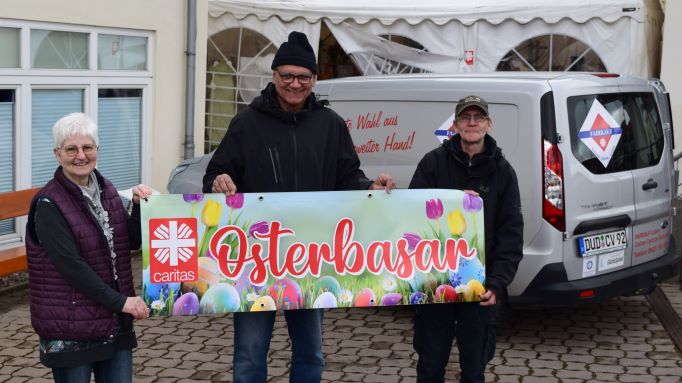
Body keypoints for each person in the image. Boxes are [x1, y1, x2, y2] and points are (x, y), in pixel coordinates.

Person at [203, 31, 395, 383]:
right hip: (255, 261)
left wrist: (370, 187)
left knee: (311, 353)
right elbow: (216, 174)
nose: (295, 84)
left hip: (311, 259)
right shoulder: (247, 123)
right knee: (249, 354)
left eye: (303, 77)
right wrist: (218, 183)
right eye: (287, 76)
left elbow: (347, 176)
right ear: (274, 77)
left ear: (314, 80)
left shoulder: (330, 124)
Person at [25, 112, 151, 383]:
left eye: (87, 147)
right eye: (71, 149)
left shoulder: (107, 189)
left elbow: (131, 241)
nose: (81, 156)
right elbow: (73, 269)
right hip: (71, 328)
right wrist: (123, 302)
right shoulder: (49, 204)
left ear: (97, 150)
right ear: (57, 154)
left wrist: (140, 208)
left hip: (113, 323)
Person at [409, 95, 523, 383]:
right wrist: (453, 201)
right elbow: (411, 213)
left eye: (478, 117)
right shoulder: (432, 163)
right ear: (456, 124)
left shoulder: (503, 173)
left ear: (488, 123)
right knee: (430, 366)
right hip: (435, 284)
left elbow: (511, 236)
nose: (472, 123)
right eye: (465, 117)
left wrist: (496, 284)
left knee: (474, 371)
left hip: (479, 288)